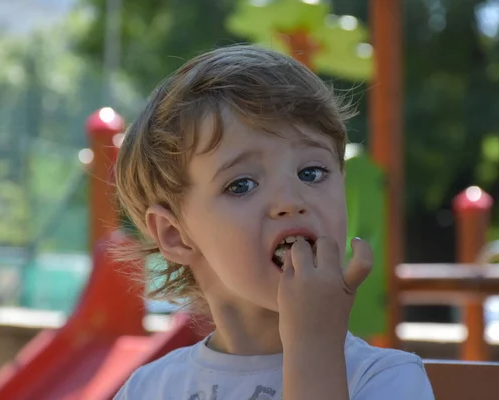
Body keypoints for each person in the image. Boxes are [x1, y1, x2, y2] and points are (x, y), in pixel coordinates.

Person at [113, 44, 434, 399]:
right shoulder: (147, 390)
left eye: (311, 172)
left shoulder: (386, 379)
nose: (291, 201)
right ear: (175, 235)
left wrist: (313, 346)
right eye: (242, 185)